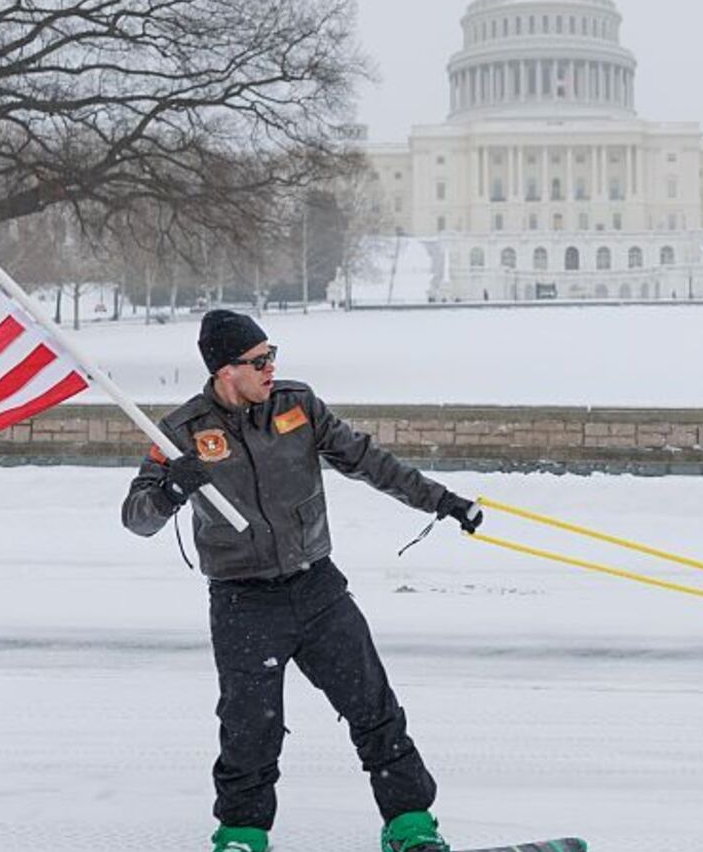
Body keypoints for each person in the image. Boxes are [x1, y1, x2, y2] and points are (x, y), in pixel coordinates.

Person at [122, 309, 485, 852]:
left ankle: (410, 825)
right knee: (250, 728)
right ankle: (242, 834)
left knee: (373, 707)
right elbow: (137, 518)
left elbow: (369, 461)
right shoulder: (180, 433)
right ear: (226, 370)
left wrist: (442, 500)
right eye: (259, 360)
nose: (271, 368)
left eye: (273, 356)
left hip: (317, 589)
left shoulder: (297, 406)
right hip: (243, 601)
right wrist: (171, 491)